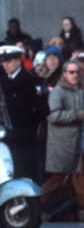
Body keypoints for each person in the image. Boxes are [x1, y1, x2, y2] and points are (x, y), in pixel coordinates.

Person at [0, 45, 49, 182]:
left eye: (8, 61)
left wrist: (29, 126)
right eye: (3, 61)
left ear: (18, 61)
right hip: (7, 134)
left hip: (25, 136)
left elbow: (43, 110)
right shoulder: (1, 81)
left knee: (27, 173)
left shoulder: (30, 81)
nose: (5, 64)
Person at [40, 60, 84, 217]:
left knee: (79, 178)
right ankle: (34, 204)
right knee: (58, 178)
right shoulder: (58, 92)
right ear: (64, 73)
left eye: (77, 71)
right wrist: (76, 115)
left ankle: (81, 210)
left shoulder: (80, 90)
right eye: (71, 72)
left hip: (78, 142)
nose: (75, 75)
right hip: (62, 143)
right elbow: (53, 115)